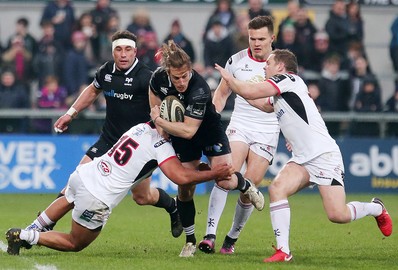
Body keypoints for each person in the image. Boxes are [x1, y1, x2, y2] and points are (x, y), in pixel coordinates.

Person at [215, 48, 393, 263]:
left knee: (338, 215)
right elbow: (260, 103)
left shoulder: (288, 79)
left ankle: (376, 208)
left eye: (269, 63)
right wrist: (236, 90)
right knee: (277, 188)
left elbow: (254, 92)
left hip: (323, 155)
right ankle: (284, 251)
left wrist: (230, 78)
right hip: (301, 158)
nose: (265, 66)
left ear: (280, 66)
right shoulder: (280, 91)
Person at [28, 30, 183, 240]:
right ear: (112, 52)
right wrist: (70, 114)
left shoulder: (146, 78)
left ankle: (173, 207)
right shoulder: (106, 71)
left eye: (128, 49)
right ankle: (44, 225)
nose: (123, 54)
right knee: (77, 179)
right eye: (118, 49)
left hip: (136, 149)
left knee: (142, 196)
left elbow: (166, 105)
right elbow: (92, 90)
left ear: (135, 52)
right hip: (108, 140)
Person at [5, 121, 235, 255]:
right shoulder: (161, 145)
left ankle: (32, 228)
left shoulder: (141, 127)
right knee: (75, 242)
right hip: (98, 196)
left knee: (68, 199)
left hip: (83, 174)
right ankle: (25, 235)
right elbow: (181, 177)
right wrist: (216, 172)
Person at [148, 40, 265, 257]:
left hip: (207, 131)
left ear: (191, 69)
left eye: (185, 75)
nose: (181, 81)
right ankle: (190, 240)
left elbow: (190, 130)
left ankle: (245, 184)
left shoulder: (200, 89)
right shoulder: (158, 78)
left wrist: (161, 122)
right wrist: (158, 119)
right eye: (176, 78)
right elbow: (154, 99)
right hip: (181, 136)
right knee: (185, 186)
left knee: (224, 178)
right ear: (167, 73)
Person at [199, 15, 279, 255]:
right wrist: (211, 120)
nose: (256, 43)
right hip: (240, 124)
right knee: (225, 175)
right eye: (252, 38)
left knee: (249, 189)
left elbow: (286, 101)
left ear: (272, 38)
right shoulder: (236, 60)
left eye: (261, 39)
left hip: (268, 130)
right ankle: (209, 235)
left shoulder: (281, 63)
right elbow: (222, 94)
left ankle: (230, 239)